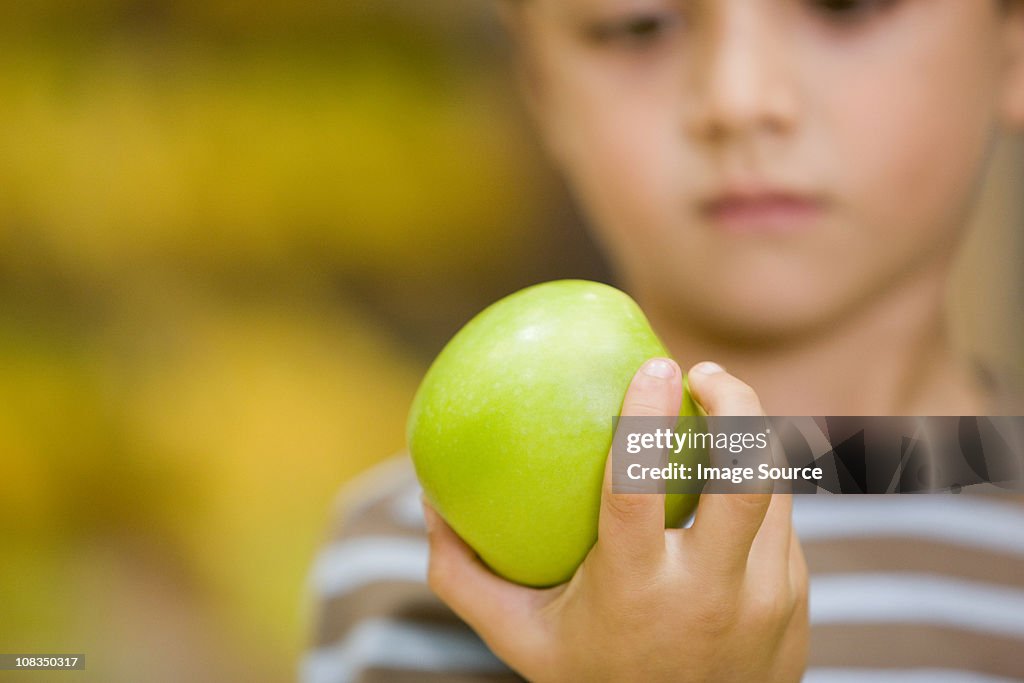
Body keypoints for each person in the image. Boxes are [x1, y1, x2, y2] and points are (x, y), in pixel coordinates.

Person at [304, 1, 1024, 680]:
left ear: (1013, 42)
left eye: (845, 5)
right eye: (637, 24)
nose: (738, 98)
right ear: (538, 85)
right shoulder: (438, 558)